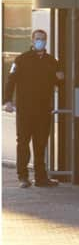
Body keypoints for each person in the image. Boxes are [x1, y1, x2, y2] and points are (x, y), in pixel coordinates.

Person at [3, 29, 63, 188]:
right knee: (23, 143)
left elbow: (60, 83)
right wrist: (7, 101)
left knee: (40, 144)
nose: (40, 41)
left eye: (43, 39)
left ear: (46, 40)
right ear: (32, 40)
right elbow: (11, 81)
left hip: (43, 109)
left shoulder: (52, 61)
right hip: (25, 110)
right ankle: (23, 177)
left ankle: (41, 178)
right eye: (37, 39)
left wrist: (60, 80)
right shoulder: (21, 60)